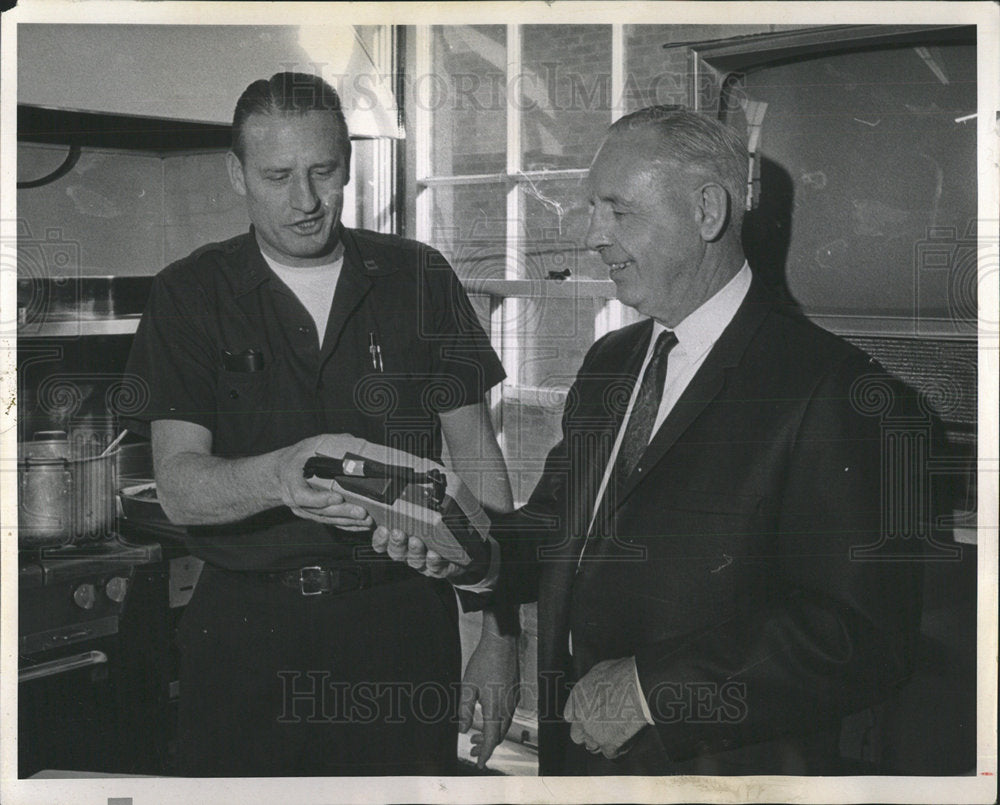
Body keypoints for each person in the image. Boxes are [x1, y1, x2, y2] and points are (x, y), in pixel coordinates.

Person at [373, 106, 924, 775]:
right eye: (590, 209)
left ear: (707, 211)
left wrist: (652, 689)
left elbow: (861, 638)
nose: (591, 236)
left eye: (618, 211)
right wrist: (469, 547)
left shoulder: (831, 389)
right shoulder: (611, 361)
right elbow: (554, 531)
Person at [124, 72, 518, 776]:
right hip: (245, 641)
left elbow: (480, 464)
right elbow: (180, 487)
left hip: (401, 634)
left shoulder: (420, 277)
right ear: (236, 172)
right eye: (277, 176)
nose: (305, 202)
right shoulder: (190, 294)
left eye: (323, 171)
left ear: (348, 163)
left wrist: (501, 630)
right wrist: (282, 473)